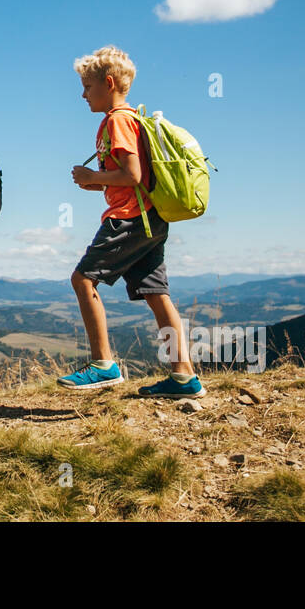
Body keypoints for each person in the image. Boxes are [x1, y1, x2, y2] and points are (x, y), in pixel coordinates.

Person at [58, 45, 205, 397]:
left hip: (128, 219)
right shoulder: (134, 119)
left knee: (82, 280)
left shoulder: (117, 120)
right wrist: (96, 181)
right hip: (151, 218)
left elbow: (133, 175)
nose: (83, 94)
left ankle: (103, 365)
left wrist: (94, 175)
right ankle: (184, 377)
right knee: (156, 294)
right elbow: (130, 179)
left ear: (108, 83)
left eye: (87, 87)